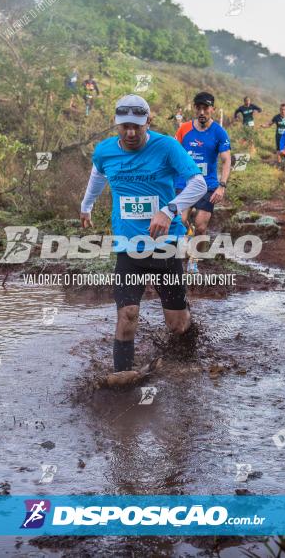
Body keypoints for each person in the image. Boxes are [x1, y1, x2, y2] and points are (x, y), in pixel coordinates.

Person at [80, 94, 206, 373]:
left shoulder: (168, 147)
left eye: (137, 126)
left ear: (148, 121)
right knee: (127, 314)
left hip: (165, 246)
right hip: (128, 246)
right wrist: (86, 206)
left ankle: (185, 363)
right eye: (124, 126)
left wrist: (169, 210)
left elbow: (198, 184)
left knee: (177, 324)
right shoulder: (104, 151)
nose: (130, 132)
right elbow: (97, 175)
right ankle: (123, 378)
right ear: (116, 124)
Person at [174, 92, 232, 273]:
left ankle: (194, 261)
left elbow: (226, 160)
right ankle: (187, 235)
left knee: (201, 226)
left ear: (212, 109)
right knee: (180, 221)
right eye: (198, 107)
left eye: (205, 108)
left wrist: (222, 186)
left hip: (208, 185)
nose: (201, 111)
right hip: (184, 184)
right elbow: (174, 155)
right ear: (194, 108)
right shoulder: (183, 129)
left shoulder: (219, 133)